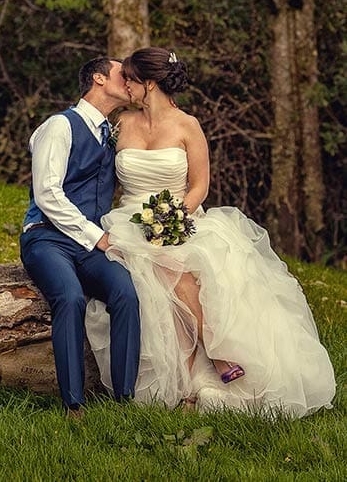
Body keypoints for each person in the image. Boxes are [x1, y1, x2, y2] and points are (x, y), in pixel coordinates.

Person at [85, 46, 336, 417]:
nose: (127, 87)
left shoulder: (188, 126)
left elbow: (199, 186)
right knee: (166, 270)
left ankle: (201, 375)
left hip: (178, 216)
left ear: (149, 84)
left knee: (180, 267)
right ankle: (207, 367)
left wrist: (173, 217)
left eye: (132, 80)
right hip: (128, 221)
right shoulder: (123, 123)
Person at [20, 56, 141, 414]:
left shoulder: (110, 132)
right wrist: (95, 236)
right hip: (46, 238)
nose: (129, 79)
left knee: (126, 293)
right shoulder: (60, 126)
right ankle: (74, 404)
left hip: (88, 244)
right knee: (70, 297)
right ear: (99, 78)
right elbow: (47, 193)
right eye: (123, 74)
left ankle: (124, 399)